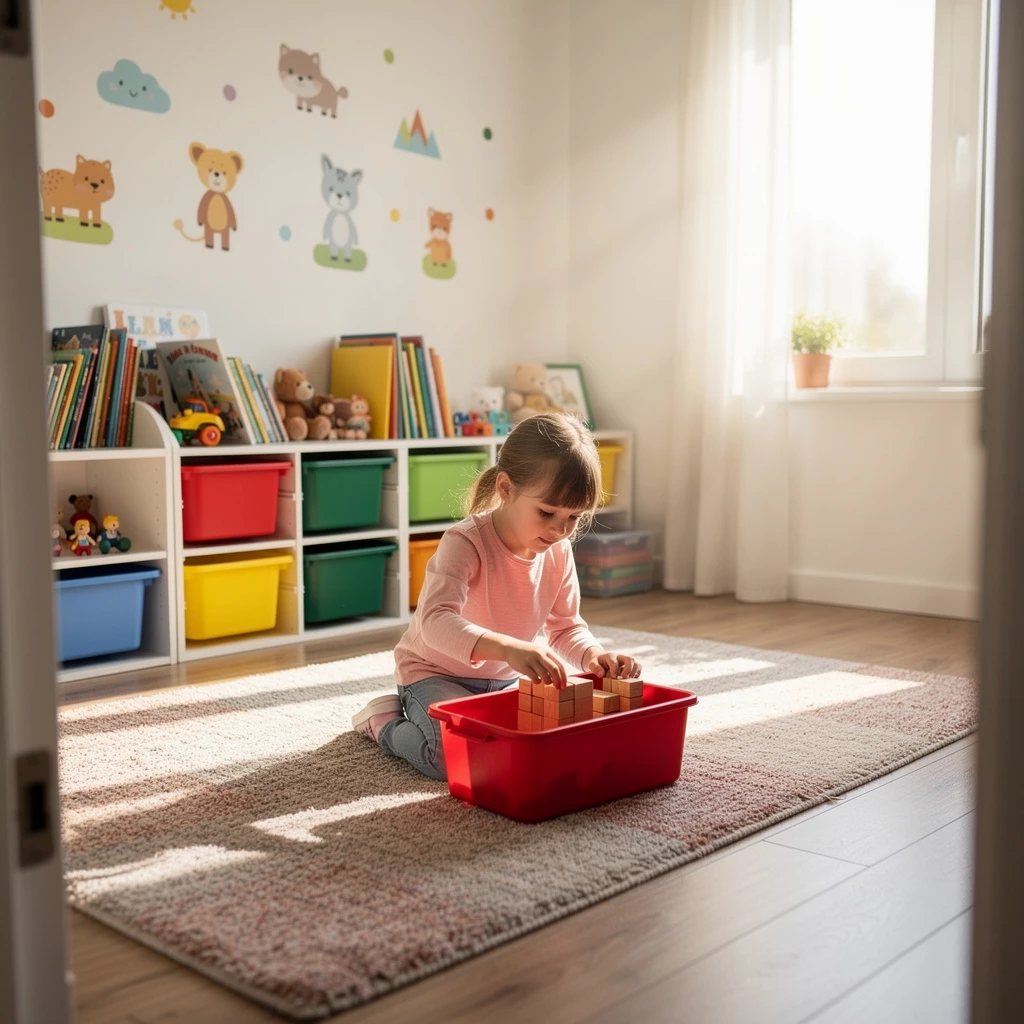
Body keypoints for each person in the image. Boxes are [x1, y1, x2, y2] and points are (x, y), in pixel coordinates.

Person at [351, 412, 642, 780]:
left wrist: (595, 656)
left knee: (545, 742)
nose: (560, 530)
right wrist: (508, 649)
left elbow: (566, 627)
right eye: (547, 512)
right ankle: (384, 723)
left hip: (504, 680)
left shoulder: (558, 551)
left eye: (573, 517)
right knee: (448, 758)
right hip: (434, 673)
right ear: (506, 488)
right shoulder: (465, 542)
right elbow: (434, 622)